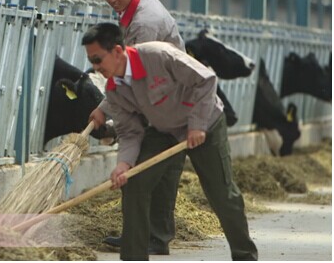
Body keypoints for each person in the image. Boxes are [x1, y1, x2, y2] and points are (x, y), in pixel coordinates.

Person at [82, 23, 258, 261]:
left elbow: (206, 80)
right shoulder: (114, 89)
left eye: (97, 59)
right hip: (165, 130)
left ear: (116, 51)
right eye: (91, 61)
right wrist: (124, 164)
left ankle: (244, 255)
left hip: (205, 122)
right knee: (133, 182)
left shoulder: (158, 55)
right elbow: (131, 132)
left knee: (220, 192)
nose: (95, 67)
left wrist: (197, 124)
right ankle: (134, 257)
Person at [96, 0, 185, 254]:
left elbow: (129, 73)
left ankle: (145, 236)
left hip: (166, 98)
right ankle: (155, 236)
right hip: (166, 95)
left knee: (143, 168)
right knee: (162, 169)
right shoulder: (136, 4)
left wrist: (103, 109)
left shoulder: (145, 22)